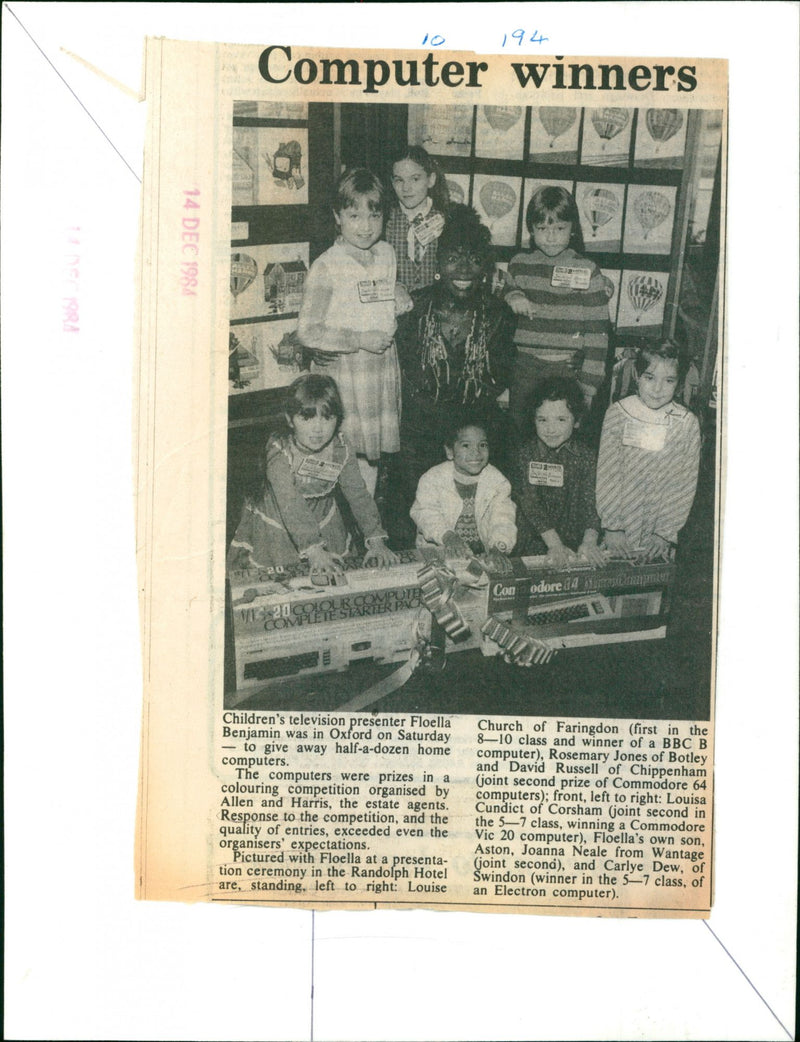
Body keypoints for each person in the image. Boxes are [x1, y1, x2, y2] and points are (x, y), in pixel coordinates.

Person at [393, 204, 516, 535]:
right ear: (438, 262)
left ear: (485, 266)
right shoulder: (414, 309)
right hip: (420, 431)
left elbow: (499, 378)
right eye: (453, 259)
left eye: (474, 259)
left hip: (475, 431)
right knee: (416, 517)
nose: (463, 269)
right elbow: (406, 373)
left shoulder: (499, 315)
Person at [297, 168, 411, 495]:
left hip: (380, 369)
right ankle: (327, 510)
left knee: (369, 454)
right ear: (338, 216)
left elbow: (376, 294)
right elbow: (308, 331)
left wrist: (398, 292)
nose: (365, 226)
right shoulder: (326, 266)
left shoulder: (386, 253)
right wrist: (359, 340)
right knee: (338, 448)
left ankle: (366, 513)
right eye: (354, 215)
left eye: (374, 215)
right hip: (346, 372)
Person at [226, 374, 397, 577]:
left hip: (324, 521)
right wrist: (313, 548)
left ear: (338, 418)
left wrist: (376, 539)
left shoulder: (341, 449)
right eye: (307, 418)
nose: (318, 429)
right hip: (280, 523)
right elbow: (290, 503)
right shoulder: (279, 451)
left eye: (327, 417)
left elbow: (358, 494)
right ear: (290, 419)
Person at [503, 185, 612, 429]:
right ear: (531, 229)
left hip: (567, 370)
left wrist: (588, 386)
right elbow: (505, 289)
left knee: (562, 433)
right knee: (521, 432)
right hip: (525, 367)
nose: (551, 237)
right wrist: (514, 296)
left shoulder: (588, 269)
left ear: (573, 229)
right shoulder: (519, 264)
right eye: (542, 228)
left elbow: (598, 333)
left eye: (560, 228)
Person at [596, 341, 701, 562]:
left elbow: (684, 483)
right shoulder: (618, 413)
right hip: (619, 527)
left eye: (669, 380)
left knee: (650, 581)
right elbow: (607, 473)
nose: (657, 389)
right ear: (637, 375)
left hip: (658, 533)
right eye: (650, 377)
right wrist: (612, 527)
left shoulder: (686, 423)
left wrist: (664, 533)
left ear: (679, 383)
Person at [514, 377, 606, 566]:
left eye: (561, 419)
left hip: (575, 543)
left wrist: (589, 541)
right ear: (533, 420)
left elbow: (592, 503)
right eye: (542, 419)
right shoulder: (526, 454)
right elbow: (531, 505)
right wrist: (554, 544)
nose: (550, 429)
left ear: (577, 421)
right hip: (534, 542)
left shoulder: (587, 456)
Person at [411, 414, 516, 571]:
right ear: (449, 451)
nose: (476, 452)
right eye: (466, 445)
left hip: (481, 554)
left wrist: (498, 548)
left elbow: (503, 519)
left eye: (482, 445)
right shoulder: (432, 478)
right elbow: (426, 513)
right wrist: (448, 536)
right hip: (438, 550)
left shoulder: (497, 481)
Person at [385, 145, 450, 294]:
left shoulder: (450, 221)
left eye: (415, 179)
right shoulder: (383, 222)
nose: (406, 188)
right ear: (392, 182)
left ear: (431, 180)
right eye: (399, 180)